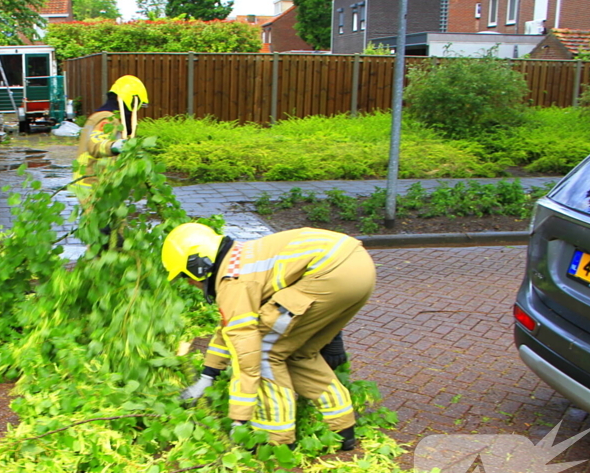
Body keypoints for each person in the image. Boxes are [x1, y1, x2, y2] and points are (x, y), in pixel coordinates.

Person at [162, 223, 377, 450]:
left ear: (198, 266)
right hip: (359, 267)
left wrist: (239, 419)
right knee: (298, 353)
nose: (188, 283)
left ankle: (277, 441)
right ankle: (343, 429)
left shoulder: (234, 282)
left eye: (185, 276)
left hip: (329, 273)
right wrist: (208, 375)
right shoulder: (238, 262)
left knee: (266, 350)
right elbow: (229, 328)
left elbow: (247, 355)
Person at [71, 75, 148, 207]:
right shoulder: (107, 118)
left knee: (115, 224)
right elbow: (94, 143)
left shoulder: (103, 116)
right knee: (103, 226)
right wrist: (114, 146)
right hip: (93, 183)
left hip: (96, 181)